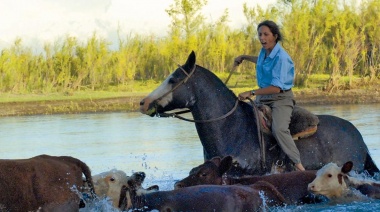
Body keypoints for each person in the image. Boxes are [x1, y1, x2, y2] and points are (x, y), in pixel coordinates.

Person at [233, 20, 305, 171]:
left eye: (266, 34)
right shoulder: (264, 52)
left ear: (275, 36)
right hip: (263, 97)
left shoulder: (282, 58)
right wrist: (244, 57)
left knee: (279, 129)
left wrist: (251, 92)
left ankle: (298, 165)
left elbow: (276, 88)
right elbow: (260, 61)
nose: (262, 38)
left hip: (280, 99)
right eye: (260, 34)